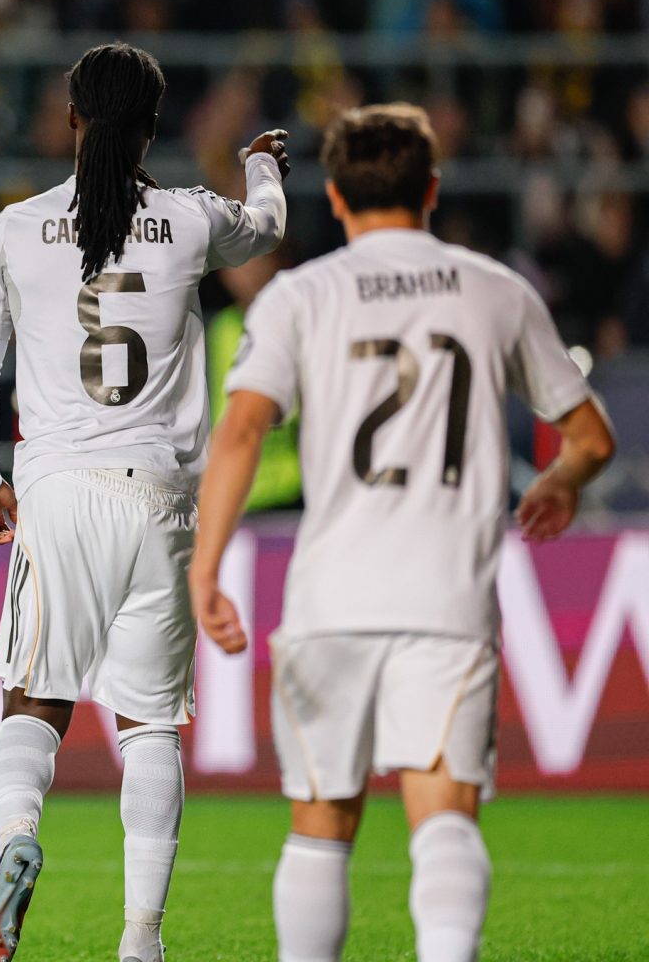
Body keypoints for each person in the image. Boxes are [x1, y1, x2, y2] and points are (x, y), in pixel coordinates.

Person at [189, 104, 615, 962]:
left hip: (330, 599)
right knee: (444, 818)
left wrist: (204, 571)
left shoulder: (298, 296)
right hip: (446, 600)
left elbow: (238, 432)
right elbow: (592, 437)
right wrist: (564, 481)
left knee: (320, 825)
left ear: (337, 199)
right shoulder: (497, 289)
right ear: (431, 189)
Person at [0, 41, 289, 962]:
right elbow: (267, 225)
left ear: (71, 119)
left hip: (59, 490)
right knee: (150, 727)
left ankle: (18, 838)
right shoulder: (187, 221)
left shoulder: (16, 230)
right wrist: (261, 162)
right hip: (165, 500)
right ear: (152, 126)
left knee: (32, 705)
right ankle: (141, 940)